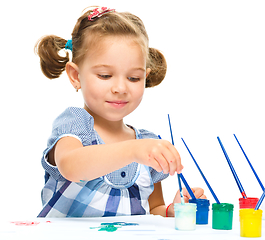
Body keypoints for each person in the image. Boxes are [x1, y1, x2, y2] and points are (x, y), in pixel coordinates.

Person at [35, 6, 206, 218]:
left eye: (134, 78)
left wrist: (176, 209)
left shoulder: (146, 143)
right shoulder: (74, 125)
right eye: (105, 75)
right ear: (75, 76)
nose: (120, 88)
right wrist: (133, 150)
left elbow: (153, 210)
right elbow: (71, 166)